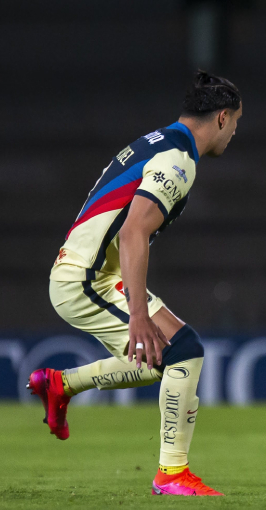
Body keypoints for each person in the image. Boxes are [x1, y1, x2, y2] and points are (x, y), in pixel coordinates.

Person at [29, 71, 243, 496]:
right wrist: (139, 318)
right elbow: (132, 232)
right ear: (222, 118)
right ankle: (172, 474)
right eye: (236, 122)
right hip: (85, 279)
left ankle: (60, 384)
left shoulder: (157, 140)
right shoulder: (178, 161)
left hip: (92, 272)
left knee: (167, 355)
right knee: (184, 351)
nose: (235, 132)